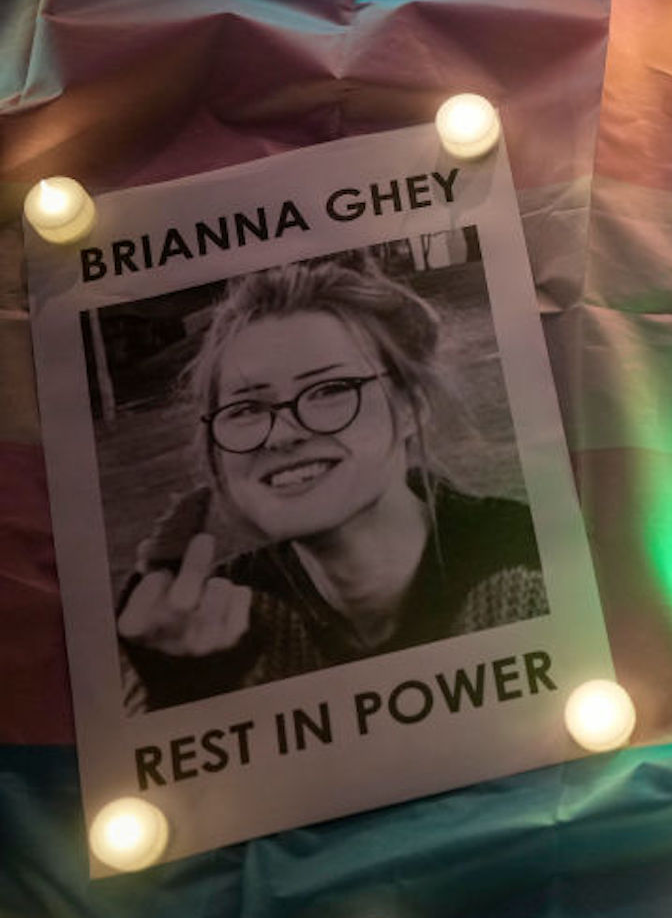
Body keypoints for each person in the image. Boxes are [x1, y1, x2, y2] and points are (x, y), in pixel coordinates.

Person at [116, 252, 546, 709]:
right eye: (245, 409)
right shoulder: (196, 629)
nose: (281, 435)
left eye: (328, 391)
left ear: (409, 407)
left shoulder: (529, 563)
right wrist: (184, 697)